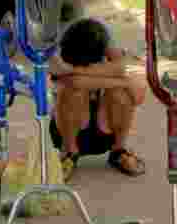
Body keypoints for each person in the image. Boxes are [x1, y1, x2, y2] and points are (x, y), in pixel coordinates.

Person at [48, 17, 147, 181]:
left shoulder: (105, 38)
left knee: (120, 92)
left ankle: (118, 151)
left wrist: (76, 70)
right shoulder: (54, 45)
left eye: (88, 66)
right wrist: (119, 79)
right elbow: (74, 82)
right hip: (67, 130)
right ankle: (69, 153)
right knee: (73, 90)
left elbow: (137, 94)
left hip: (105, 128)